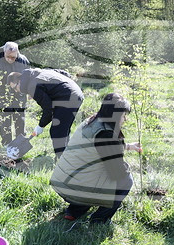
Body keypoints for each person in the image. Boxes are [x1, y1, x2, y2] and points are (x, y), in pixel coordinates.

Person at [50, 93, 142, 224]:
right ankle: (99, 220)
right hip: (73, 188)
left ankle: (74, 211)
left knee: (92, 174)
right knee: (126, 180)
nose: (125, 120)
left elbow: (98, 148)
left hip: (62, 182)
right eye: (123, 116)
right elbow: (117, 173)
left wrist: (128, 146)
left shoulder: (92, 121)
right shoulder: (106, 134)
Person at [7, 68, 84, 160]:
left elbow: (49, 109)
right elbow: (63, 73)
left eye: (15, 88)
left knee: (57, 131)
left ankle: (64, 162)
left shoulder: (32, 86)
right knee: (63, 129)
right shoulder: (37, 72)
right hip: (75, 92)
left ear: (19, 81)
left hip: (68, 97)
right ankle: (67, 158)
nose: (16, 91)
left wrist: (40, 126)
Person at [0, 41, 30, 147]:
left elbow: (29, 77)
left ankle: (20, 144)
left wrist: (30, 91)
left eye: (13, 57)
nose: (10, 59)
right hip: (2, 96)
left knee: (20, 120)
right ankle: (7, 144)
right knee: (5, 121)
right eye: (8, 56)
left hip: (20, 95)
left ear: (17, 53)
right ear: (4, 52)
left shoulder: (23, 60)